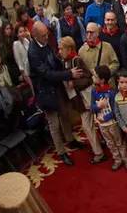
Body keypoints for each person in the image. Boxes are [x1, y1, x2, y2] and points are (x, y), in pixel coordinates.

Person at [28, 22, 85, 166]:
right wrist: (68, 74)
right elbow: (47, 73)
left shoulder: (45, 43)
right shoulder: (33, 53)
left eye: (47, 34)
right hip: (46, 92)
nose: (47, 37)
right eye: (43, 36)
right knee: (54, 124)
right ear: (34, 36)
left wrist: (66, 66)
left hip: (57, 87)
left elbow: (55, 61)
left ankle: (70, 140)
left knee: (65, 115)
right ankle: (61, 152)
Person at [58, 36, 106, 164]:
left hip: (86, 97)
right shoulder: (65, 62)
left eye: (61, 48)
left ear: (69, 48)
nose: (59, 51)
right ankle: (99, 148)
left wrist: (74, 84)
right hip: (79, 99)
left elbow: (88, 79)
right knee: (89, 126)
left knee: (92, 124)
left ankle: (99, 152)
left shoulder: (76, 60)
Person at [91, 65, 127, 172]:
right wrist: (98, 106)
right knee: (109, 143)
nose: (92, 77)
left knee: (119, 142)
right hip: (101, 124)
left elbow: (115, 109)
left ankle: (126, 159)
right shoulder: (94, 91)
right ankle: (117, 159)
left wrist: (106, 117)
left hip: (112, 122)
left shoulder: (112, 92)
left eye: (94, 76)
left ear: (102, 80)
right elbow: (91, 106)